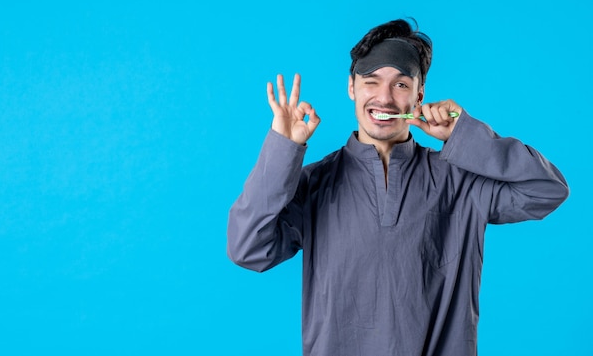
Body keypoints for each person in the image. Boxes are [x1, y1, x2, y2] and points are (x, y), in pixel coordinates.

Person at [226, 18, 569, 356]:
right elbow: (248, 248)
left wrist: (464, 133)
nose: (384, 98)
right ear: (352, 87)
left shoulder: (460, 181)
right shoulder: (315, 184)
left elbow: (547, 190)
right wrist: (282, 150)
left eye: (401, 84)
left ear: (419, 94)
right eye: (371, 81)